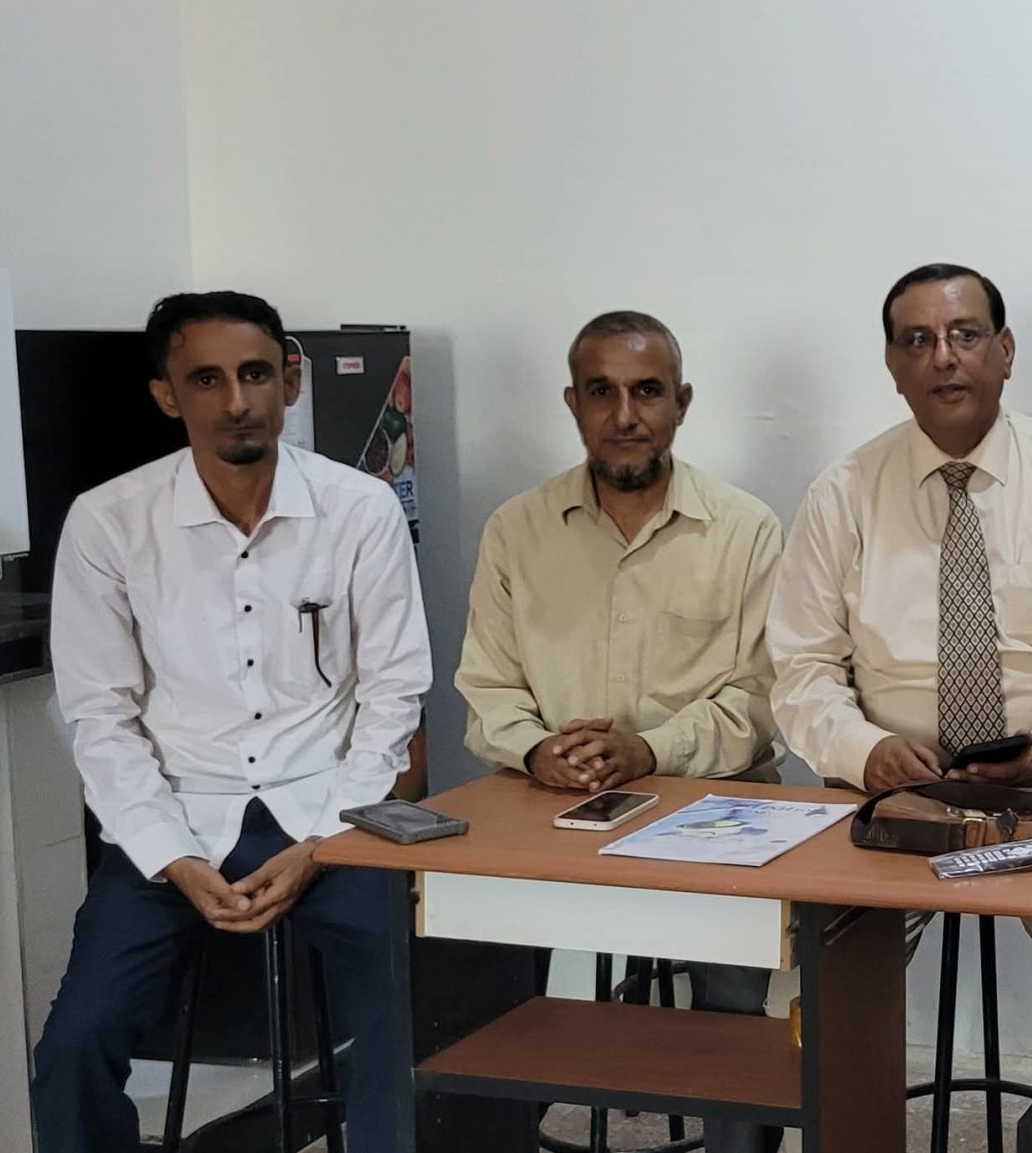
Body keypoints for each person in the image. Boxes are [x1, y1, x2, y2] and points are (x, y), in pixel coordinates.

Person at [34, 291, 432, 1152]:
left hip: (331, 815)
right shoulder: (108, 521)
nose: (237, 400)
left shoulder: (359, 509)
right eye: (206, 379)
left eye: (255, 373)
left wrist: (326, 840)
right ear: (167, 395)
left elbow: (394, 693)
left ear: (291, 381)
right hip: (174, 823)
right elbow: (100, 715)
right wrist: (172, 855)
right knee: (74, 1042)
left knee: (406, 1016)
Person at [766, 263, 1032, 1119]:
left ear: (1005, 350)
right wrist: (866, 750)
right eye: (918, 340)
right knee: (800, 1009)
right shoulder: (844, 492)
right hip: (887, 805)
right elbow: (799, 669)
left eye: (965, 335)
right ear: (892, 364)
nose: (944, 357)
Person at [454, 310, 788, 1153]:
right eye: (601, 392)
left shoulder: (746, 529)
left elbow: (764, 697)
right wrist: (538, 748)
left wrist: (650, 748)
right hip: (548, 809)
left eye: (647, 391)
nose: (625, 414)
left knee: (731, 1009)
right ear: (573, 403)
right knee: (475, 971)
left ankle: (737, 1143)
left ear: (682, 402)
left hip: (714, 809)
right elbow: (487, 686)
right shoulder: (516, 529)